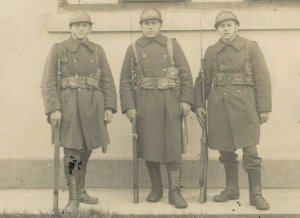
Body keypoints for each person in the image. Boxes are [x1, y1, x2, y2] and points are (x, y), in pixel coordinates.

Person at [194, 11, 272, 210]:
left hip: (246, 106)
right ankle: (231, 189)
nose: (226, 29)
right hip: (219, 106)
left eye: (229, 25)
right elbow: (203, 81)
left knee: (251, 151)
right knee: (226, 151)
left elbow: (263, 78)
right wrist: (199, 105)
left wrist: (263, 108)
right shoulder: (211, 51)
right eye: (221, 26)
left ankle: (256, 194)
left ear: (237, 27)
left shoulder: (251, 47)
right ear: (217, 30)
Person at [41, 10, 117, 213]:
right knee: (72, 151)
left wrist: (109, 106)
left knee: (87, 149)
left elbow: (107, 80)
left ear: (90, 28)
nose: (81, 29)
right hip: (69, 106)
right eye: (77, 25)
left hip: (93, 105)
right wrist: (54, 108)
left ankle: (81, 190)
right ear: (70, 28)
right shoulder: (59, 49)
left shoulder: (97, 50)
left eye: (85, 25)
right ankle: (73, 196)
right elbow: (48, 82)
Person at [120, 8, 194, 209]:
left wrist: (186, 100)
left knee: (173, 145)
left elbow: (186, 74)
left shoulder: (172, 45)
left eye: (154, 23)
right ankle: (156, 187)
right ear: (141, 27)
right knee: (149, 145)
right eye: (146, 23)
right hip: (145, 103)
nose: (150, 26)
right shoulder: (133, 48)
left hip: (170, 100)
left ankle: (174, 191)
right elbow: (125, 80)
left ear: (160, 24)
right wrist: (129, 107)